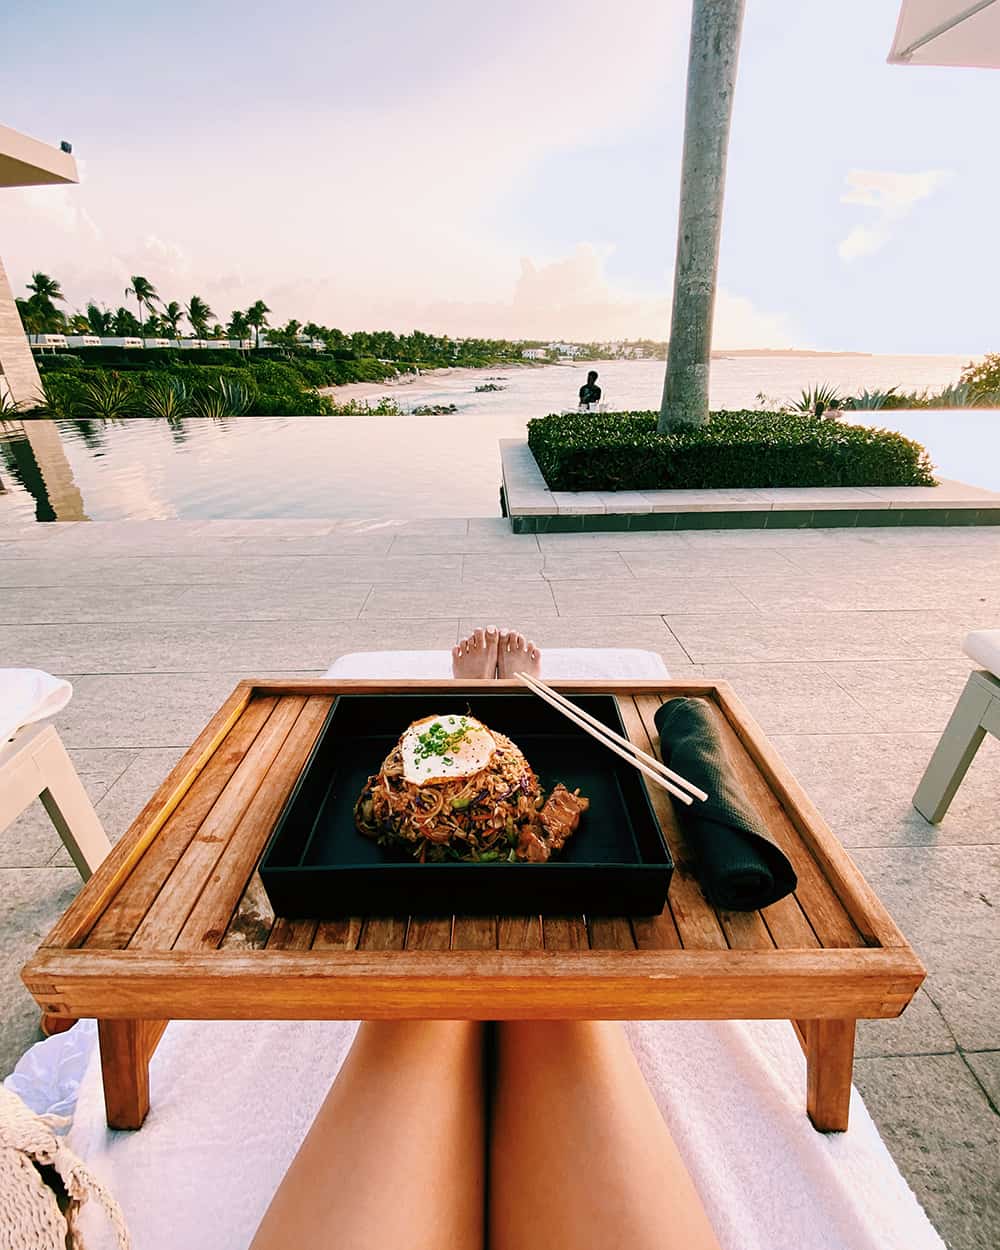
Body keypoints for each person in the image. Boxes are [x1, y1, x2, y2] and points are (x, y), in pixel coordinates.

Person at [251, 638, 722, 1250]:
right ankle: (538, 987)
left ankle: (438, 992)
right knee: (563, 1014)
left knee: (414, 1019)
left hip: (490, 811)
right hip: (465, 821)